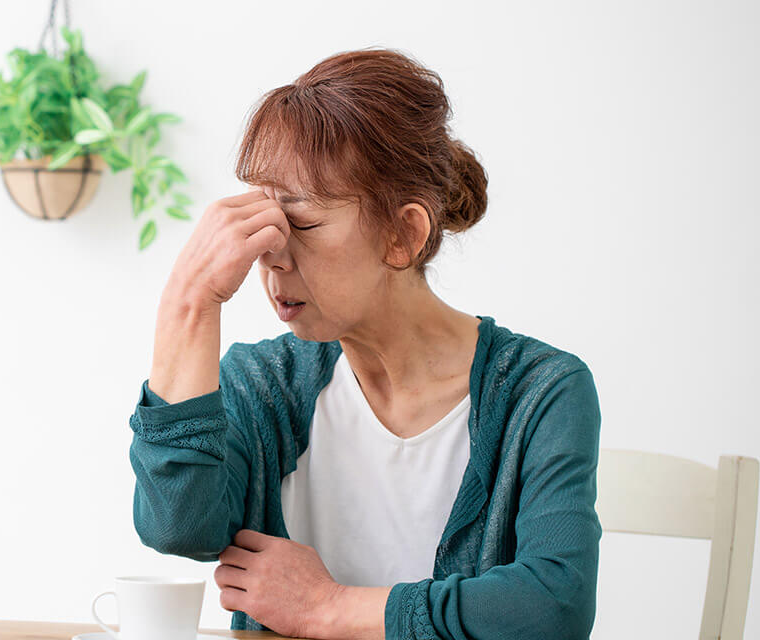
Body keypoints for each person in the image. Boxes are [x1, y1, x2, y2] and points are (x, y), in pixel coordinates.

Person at [127, 47, 602, 640]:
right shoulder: (263, 384)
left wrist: (328, 607)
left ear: (403, 234)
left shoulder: (540, 392)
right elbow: (176, 526)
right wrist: (190, 302)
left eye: (300, 222)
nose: (268, 252)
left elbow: (554, 608)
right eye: (262, 218)